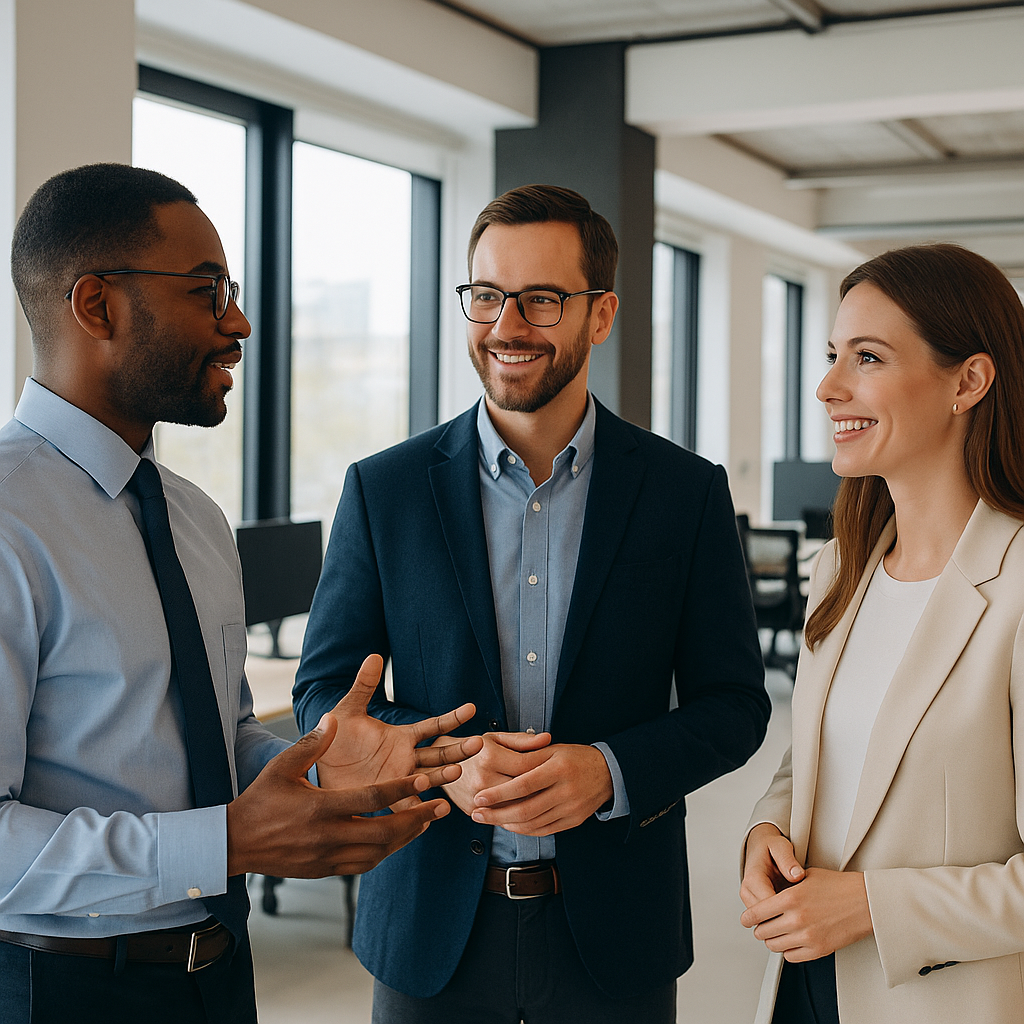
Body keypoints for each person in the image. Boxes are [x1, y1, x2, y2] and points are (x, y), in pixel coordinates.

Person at [0, 163, 483, 1024]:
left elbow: (213, 736)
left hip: (220, 978)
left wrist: (317, 760)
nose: (239, 322)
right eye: (207, 289)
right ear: (96, 305)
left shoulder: (194, 517)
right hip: (57, 989)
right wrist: (224, 842)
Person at [293, 183, 771, 1023]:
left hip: (616, 932)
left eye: (542, 299)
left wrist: (609, 772)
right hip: (429, 929)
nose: (506, 325)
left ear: (601, 314)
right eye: (486, 296)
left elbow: (734, 706)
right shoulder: (386, 490)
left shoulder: (684, 495)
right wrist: (436, 761)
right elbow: (321, 695)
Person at [739, 243, 1024, 1024]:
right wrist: (770, 821)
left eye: (867, 357)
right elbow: (824, 755)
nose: (830, 387)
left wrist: (871, 906)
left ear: (969, 380)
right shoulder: (841, 568)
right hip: (804, 988)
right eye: (833, 356)